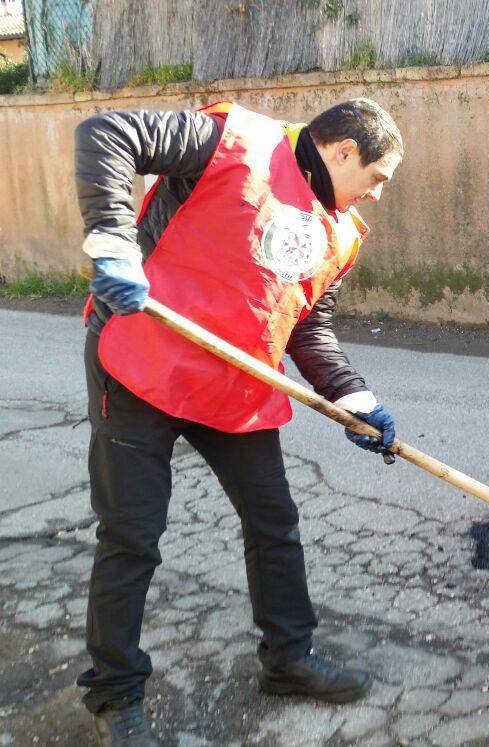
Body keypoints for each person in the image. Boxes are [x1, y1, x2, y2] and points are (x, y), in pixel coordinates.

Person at [75, 98, 403, 745]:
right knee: (132, 536)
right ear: (343, 152)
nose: (379, 193)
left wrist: (353, 397)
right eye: (379, 176)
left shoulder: (338, 234)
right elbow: (106, 132)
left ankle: (289, 658)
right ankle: (116, 697)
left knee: (273, 520)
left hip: (232, 383)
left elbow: (308, 326)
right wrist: (113, 240)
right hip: (142, 361)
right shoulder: (229, 142)